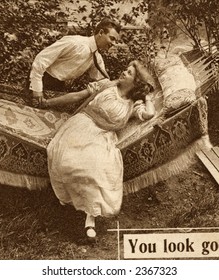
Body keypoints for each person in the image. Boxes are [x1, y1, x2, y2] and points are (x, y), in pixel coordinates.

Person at [46, 60, 156, 240]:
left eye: (128, 73)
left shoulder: (132, 105)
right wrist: (47, 102)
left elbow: (149, 114)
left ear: (136, 83)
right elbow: (78, 96)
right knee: (68, 160)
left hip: (103, 136)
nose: (123, 73)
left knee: (96, 166)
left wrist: (147, 96)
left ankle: (90, 220)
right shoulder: (106, 86)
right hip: (82, 126)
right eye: (125, 69)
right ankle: (68, 199)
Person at [29, 18, 121, 107]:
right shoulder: (75, 43)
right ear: (101, 32)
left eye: (115, 41)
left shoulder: (97, 58)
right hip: (42, 80)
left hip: (58, 88)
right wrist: (37, 90)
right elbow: (40, 60)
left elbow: (102, 82)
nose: (113, 43)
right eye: (112, 38)